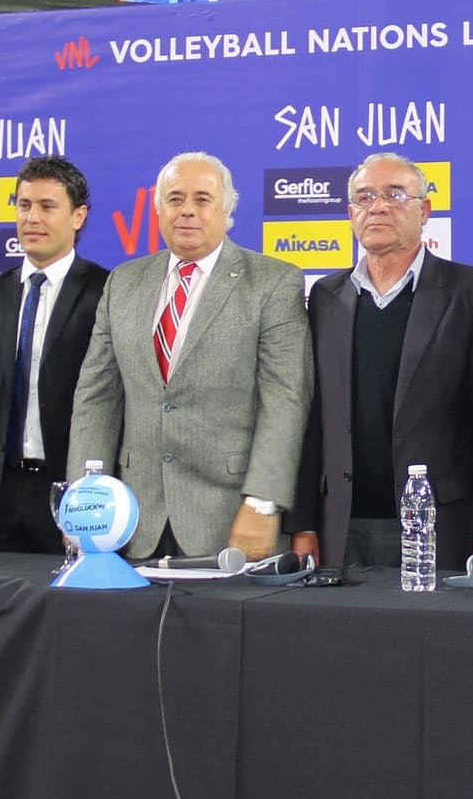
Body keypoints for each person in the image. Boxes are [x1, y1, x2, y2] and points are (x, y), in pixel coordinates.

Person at [68, 151, 312, 561]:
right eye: (175, 199)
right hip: (132, 523)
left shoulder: (273, 283)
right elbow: (96, 398)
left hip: (232, 520)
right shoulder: (122, 283)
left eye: (202, 199)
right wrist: (84, 504)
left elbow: (286, 401)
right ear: (158, 208)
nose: (187, 212)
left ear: (226, 210)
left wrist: (263, 503)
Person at [288, 153, 473, 575]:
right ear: (350, 213)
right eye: (364, 197)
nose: (378, 206)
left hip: (444, 527)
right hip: (340, 526)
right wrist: (302, 523)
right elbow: (312, 420)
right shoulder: (325, 296)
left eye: (395, 194)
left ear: (425, 210)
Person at [0, 157, 108, 553]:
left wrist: (91, 496)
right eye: (24, 205)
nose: (31, 218)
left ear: (78, 216)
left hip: (73, 494)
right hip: (0, 494)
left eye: (47, 206)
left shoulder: (106, 291)